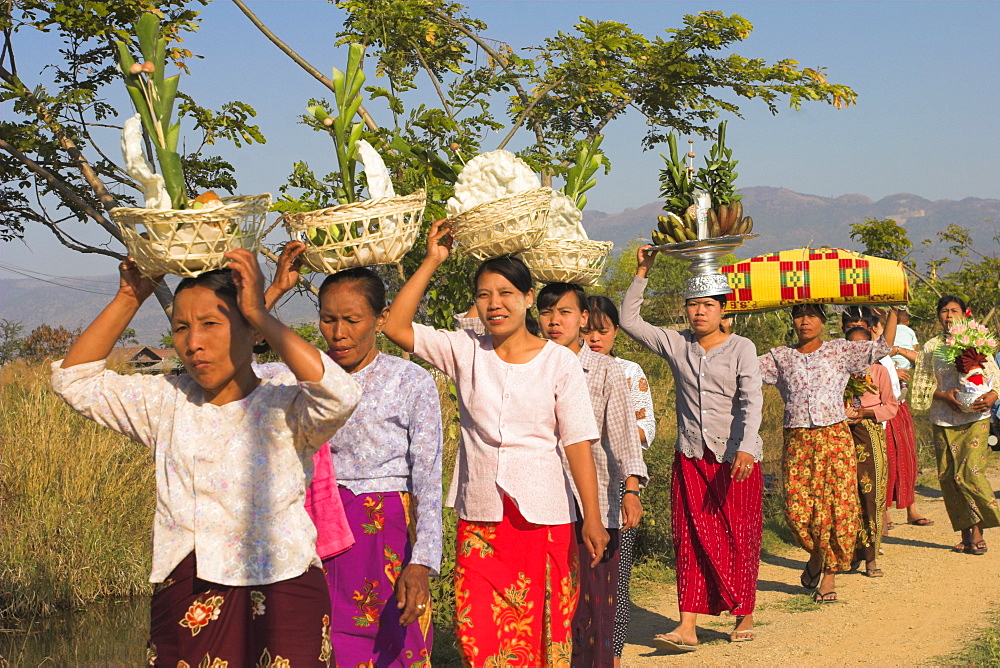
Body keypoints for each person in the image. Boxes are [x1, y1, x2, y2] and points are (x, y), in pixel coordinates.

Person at [51, 253, 362, 666]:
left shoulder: (286, 406)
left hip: (285, 588)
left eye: (210, 324)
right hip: (189, 589)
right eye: (181, 328)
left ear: (249, 330)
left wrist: (258, 310)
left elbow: (341, 395)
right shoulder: (165, 401)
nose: (193, 343)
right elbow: (74, 382)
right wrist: (129, 297)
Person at [381, 220, 609, 667]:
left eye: (506, 293)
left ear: (528, 299)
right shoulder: (464, 350)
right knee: (479, 632)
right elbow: (395, 325)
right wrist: (432, 260)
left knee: (543, 630)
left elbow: (578, 443)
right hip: (481, 515)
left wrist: (593, 518)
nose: (494, 304)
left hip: (545, 518)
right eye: (484, 295)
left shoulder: (559, 362)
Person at [261, 245, 443, 666]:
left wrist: (422, 562)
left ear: (380, 320)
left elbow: (428, 477)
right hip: (314, 531)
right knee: (317, 646)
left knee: (391, 647)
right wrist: (273, 292)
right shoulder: (302, 374)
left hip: (385, 535)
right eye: (328, 319)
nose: (338, 332)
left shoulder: (410, 381)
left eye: (351, 320)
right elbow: (229, 362)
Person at [621, 246, 764, 651]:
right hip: (691, 456)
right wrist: (642, 272)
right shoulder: (676, 344)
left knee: (740, 535)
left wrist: (747, 447)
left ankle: (744, 610)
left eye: (707, 305)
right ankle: (687, 625)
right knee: (691, 538)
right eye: (692, 305)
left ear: (723, 310)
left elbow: (752, 401)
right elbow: (628, 320)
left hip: (736, 459)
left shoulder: (742, 348)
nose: (698, 312)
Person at [536, 283, 648, 667]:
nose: (554, 321)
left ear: (582, 319)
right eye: (547, 312)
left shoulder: (605, 370)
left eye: (565, 312)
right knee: (552, 606)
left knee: (592, 606)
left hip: (595, 502)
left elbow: (622, 433)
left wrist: (631, 489)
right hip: (543, 504)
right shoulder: (529, 363)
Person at [758, 302, 897, 604]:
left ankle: (830, 576)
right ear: (792, 321)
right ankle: (817, 557)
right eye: (798, 315)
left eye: (811, 315)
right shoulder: (780, 357)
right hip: (797, 440)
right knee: (797, 510)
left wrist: (893, 313)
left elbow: (883, 346)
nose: (804, 321)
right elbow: (740, 370)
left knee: (836, 508)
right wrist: (726, 333)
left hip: (834, 436)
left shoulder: (840, 350)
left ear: (823, 321)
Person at [583, 295, 656, 667]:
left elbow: (646, 427)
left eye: (603, 330)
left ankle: (612, 651)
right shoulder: (564, 366)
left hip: (615, 488)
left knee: (615, 576)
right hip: (571, 491)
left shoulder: (629, 371)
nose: (595, 338)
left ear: (615, 332)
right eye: (588, 330)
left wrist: (612, 435)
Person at [909, 296, 1000, 554]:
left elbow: (995, 377)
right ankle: (966, 534)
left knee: (969, 474)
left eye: (954, 311)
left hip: (976, 418)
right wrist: (944, 396)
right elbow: (921, 386)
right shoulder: (931, 346)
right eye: (944, 311)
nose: (949, 315)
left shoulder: (976, 340)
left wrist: (993, 396)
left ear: (964, 314)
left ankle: (981, 529)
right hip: (944, 418)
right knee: (949, 478)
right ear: (938, 316)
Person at [843, 326, 898, 576]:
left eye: (863, 346)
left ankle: (871, 557)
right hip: (843, 433)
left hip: (870, 433)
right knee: (847, 494)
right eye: (852, 346)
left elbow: (891, 407)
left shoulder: (879, 371)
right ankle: (849, 553)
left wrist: (865, 412)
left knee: (871, 493)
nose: (857, 352)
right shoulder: (838, 372)